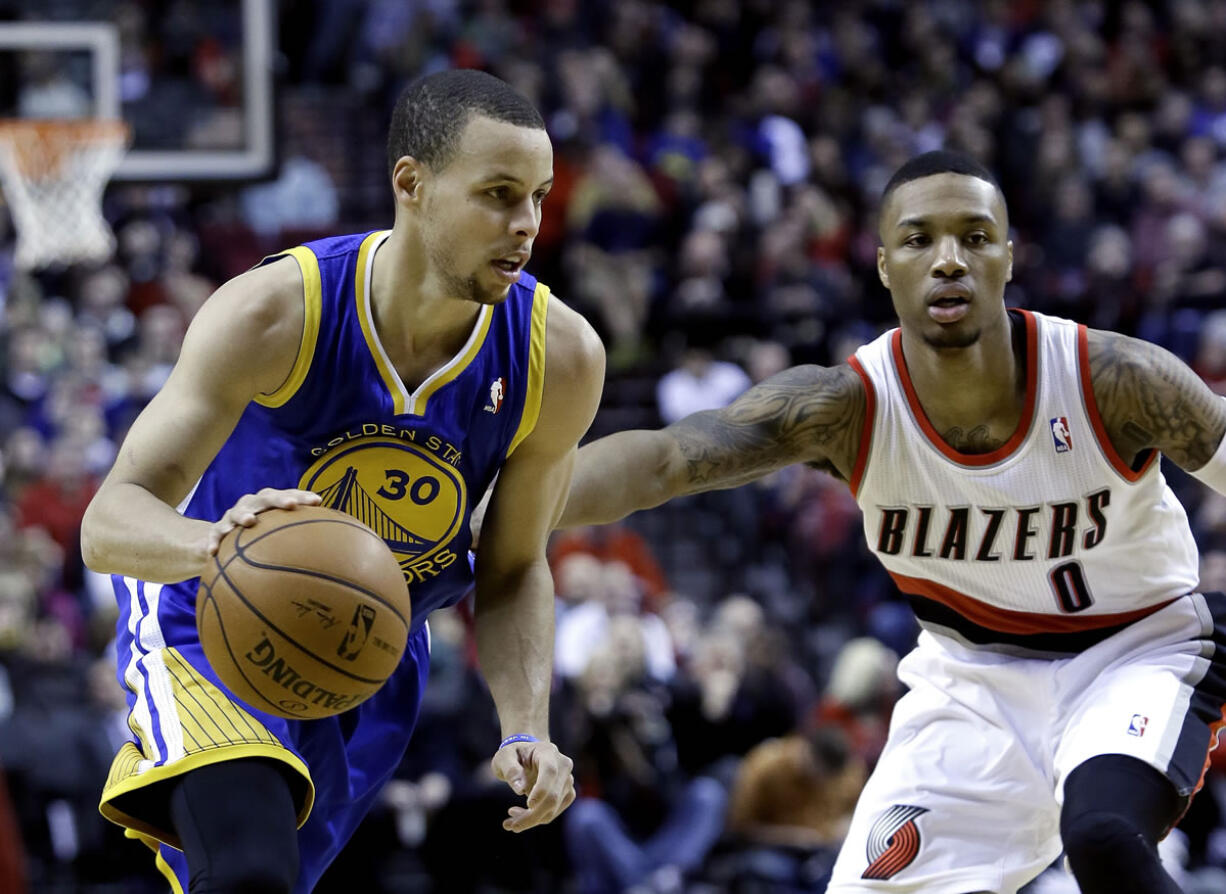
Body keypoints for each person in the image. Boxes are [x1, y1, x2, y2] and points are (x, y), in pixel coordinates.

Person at [556, 150, 1226, 893]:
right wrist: (508, 504)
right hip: (971, 680)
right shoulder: (844, 408)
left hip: (1135, 649)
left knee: (1102, 836)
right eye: (919, 240)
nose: (948, 261)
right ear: (882, 265)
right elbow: (663, 461)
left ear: (1010, 257)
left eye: (975, 238)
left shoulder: (1114, 378)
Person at [80, 68, 605, 894]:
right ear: (411, 184)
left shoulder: (559, 357)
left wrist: (526, 726)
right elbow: (109, 518)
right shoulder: (276, 311)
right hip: (208, 615)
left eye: (537, 196)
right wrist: (212, 548)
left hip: (369, 656)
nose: (528, 224)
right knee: (249, 872)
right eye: (499, 194)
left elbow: (511, 567)